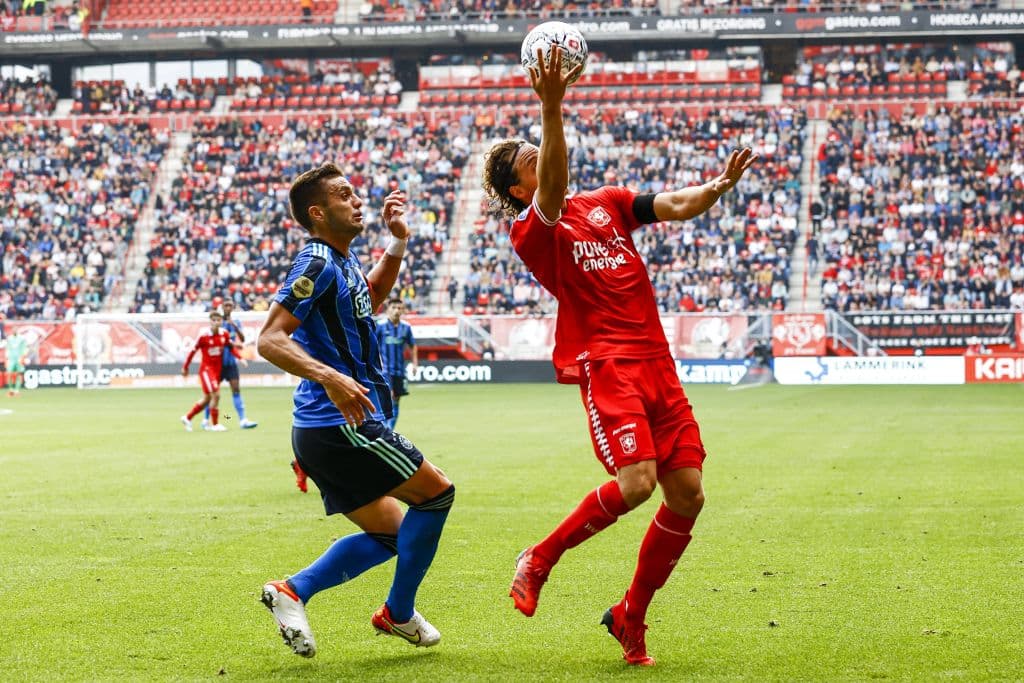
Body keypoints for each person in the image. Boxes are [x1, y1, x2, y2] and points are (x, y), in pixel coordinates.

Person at [481, 47, 756, 667]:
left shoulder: (607, 201)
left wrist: (718, 185)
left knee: (687, 494)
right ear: (519, 188)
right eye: (530, 160)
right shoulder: (533, 227)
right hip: (608, 363)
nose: (543, 160)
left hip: (658, 363)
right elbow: (553, 180)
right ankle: (540, 556)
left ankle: (630, 616)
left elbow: (676, 206)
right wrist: (551, 105)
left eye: (538, 148)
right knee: (636, 484)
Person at [256, 162, 454, 658]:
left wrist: (397, 243)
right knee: (436, 495)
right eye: (344, 195)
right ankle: (399, 612)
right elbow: (269, 340)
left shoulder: (341, 263)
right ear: (318, 213)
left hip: (327, 428)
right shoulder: (317, 263)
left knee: (392, 534)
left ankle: (291, 591)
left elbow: (371, 296)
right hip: (342, 423)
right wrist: (329, 376)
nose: (357, 200)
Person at [203, 299, 258, 430]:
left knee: (236, 389)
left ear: (233, 307)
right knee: (212, 394)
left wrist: (234, 326)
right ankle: (205, 420)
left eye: (230, 306)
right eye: (226, 305)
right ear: (222, 307)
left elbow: (243, 339)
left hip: (230, 363)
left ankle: (243, 420)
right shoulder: (217, 322)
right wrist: (233, 344)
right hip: (217, 363)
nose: (228, 307)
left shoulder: (235, 322)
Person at [180, 309, 235, 432]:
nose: (216, 322)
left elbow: (231, 347)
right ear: (210, 321)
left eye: (218, 320)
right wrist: (185, 367)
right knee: (216, 395)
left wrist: (240, 357)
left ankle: (187, 418)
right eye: (213, 320)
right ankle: (215, 425)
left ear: (221, 321)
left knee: (207, 398)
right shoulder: (203, 336)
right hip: (206, 370)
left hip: (216, 371)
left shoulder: (224, 334)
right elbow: (192, 351)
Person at [375, 298, 417, 429]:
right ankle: (385, 429)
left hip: (399, 370)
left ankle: (389, 429)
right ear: (388, 310)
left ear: (403, 310)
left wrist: (415, 363)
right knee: (389, 397)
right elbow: (373, 344)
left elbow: (413, 345)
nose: (397, 311)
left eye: (399, 308)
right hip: (385, 370)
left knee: (397, 400)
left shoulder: (406, 327)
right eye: (394, 308)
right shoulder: (380, 326)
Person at [3, 327, 29, 397]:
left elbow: (25, 348)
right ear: (12, 331)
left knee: (19, 374)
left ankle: (17, 390)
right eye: (13, 330)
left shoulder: (22, 338)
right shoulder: (9, 338)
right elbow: (7, 348)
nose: (14, 331)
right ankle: (11, 390)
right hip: (11, 359)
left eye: (15, 329)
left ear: (17, 330)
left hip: (19, 358)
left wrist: (23, 357)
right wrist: (7, 358)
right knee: (9, 374)